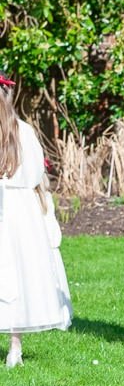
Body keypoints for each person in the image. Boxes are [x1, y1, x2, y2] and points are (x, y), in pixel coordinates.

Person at [0, 73, 72, 368]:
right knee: (16, 273)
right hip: (20, 209)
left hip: (13, 206)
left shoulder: (22, 131)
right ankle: (14, 345)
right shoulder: (25, 131)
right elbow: (33, 174)